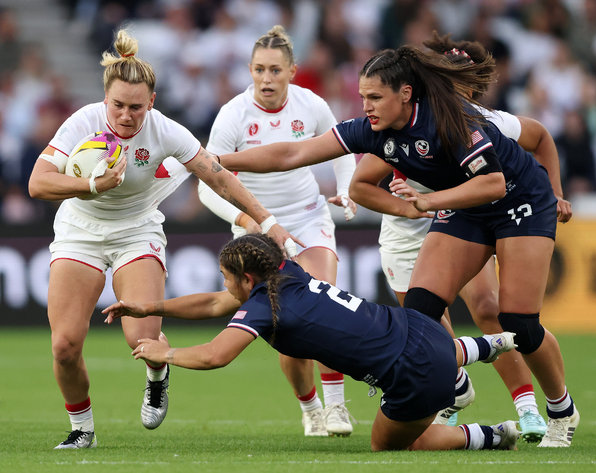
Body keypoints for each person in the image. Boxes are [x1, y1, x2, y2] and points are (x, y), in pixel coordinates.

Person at [215, 42, 580, 448]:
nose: (366, 107)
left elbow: (493, 182)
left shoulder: (450, 119)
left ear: (405, 93)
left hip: (520, 201)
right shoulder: (373, 130)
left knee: (518, 323)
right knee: (421, 313)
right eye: (362, 98)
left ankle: (561, 411)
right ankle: (450, 391)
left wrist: (429, 201)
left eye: (374, 97)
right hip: (465, 208)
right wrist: (212, 160)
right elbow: (294, 152)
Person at [27, 29, 296, 450]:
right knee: (64, 345)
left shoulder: (167, 131)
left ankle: (157, 374)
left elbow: (218, 176)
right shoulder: (82, 122)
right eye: (117, 105)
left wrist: (268, 220)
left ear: (151, 102)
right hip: (80, 231)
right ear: (105, 100)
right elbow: (37, 184)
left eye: (136, 107)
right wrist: (93, 187)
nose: (126, 116)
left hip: (137, 230)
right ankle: (83, 430)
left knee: (142, 340)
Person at [348, 33, 572, 442]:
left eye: (461, 84)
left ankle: (547, 407)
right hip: (409, 225)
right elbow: (361, 182)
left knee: (505, 316)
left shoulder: (483, 121)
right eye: (445, 82)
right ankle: (451, 388)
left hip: (480, 208)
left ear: (472, 88)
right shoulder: (403, 118)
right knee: (419, 317)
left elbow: (539, 137)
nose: (451, 92)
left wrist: (555, 193)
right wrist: (406, 205)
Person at [103, 233, 520, 452]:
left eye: (229, 277)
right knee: (399, 343)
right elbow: (215, 303)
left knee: (395, 444)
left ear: (248, 280)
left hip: (415, 374)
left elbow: (215, 356)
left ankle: (492, 435)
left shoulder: (265, 307)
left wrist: (166, 352)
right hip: (422, 329)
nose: (224, 285)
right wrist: (148, 307)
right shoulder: (288, 270)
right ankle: (483, 347)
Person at [197, 25, 357, 437]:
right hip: (256, 229)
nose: (266, 79)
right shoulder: (234, 114)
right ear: (249, 71)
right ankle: (311, 409)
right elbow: (207, 183)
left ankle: (338, 405)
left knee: (326, 302)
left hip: (306, 217)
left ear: (292, 71)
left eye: (274, 70)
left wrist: (344, 190)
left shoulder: (312, 104)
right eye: (258, 70)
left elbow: (342, 150)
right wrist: (246, 220)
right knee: (287, 324)